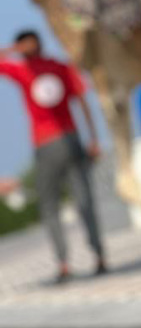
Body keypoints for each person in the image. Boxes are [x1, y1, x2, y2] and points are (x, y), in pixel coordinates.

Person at [0, 29, 107, 283]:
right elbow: (83, 102)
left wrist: (14, 49)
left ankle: (65, 264)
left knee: (52, 205)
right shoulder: (61, 67)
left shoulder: (25, 70)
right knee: (83, 200)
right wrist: (93, 138)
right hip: (70, 139)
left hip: (47, 143)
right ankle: (97, 257)